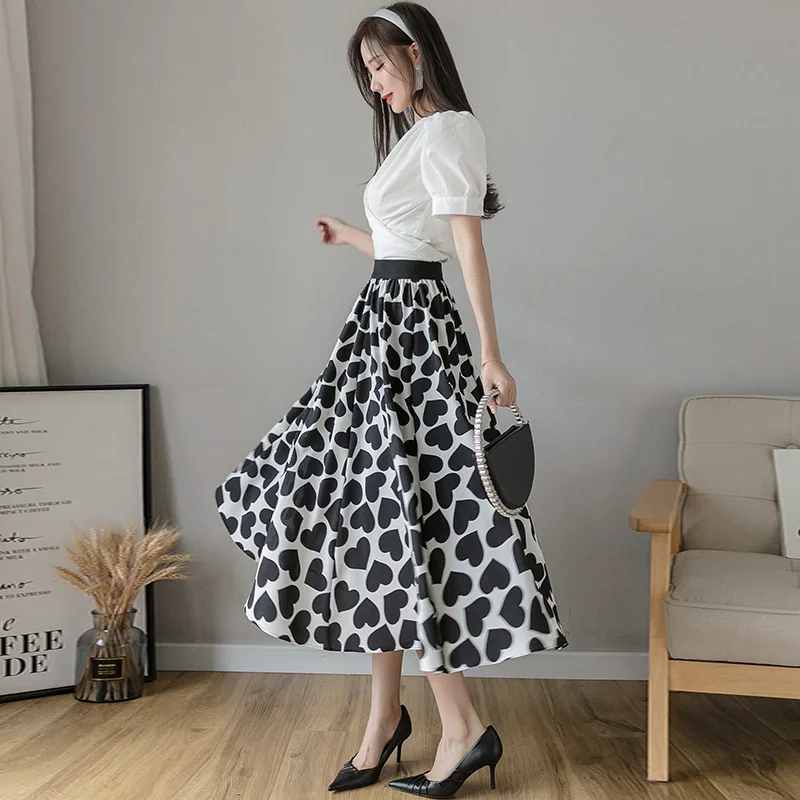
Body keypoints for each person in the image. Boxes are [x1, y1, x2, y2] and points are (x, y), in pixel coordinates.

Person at [215, 2, 569, 796]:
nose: (375, 84)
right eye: (367, 74)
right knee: (378, 522)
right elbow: (413, 245)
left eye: (379, 65)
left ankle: (460, 729)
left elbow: (466, 246)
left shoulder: (450, 130)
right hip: (381, 329)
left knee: (409, 525)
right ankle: (384, 721)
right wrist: (352, 237)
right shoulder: (418, 137)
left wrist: (492, 353)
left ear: (414, 51)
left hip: (412, 341)